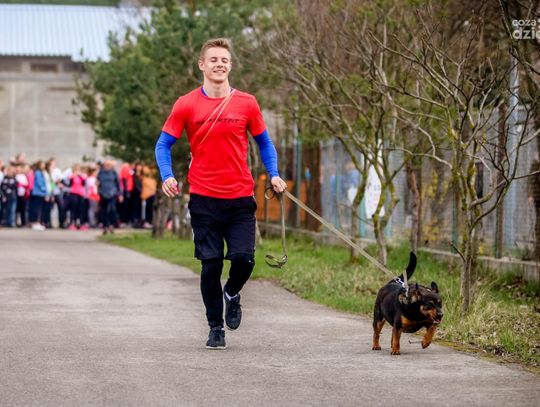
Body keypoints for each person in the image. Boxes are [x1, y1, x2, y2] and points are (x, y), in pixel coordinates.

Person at [155, 38, 287, 350]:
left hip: (240, 196)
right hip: (204, 198)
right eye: (213, 59)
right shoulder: (186, 104)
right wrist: (167, 175)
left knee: (244, 260)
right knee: (210, 265)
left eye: (224, 60)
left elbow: (264, 142)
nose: (219, 64)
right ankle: (215, 327)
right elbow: (164, 144)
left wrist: (274, 173)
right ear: (202, 65)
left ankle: (232, 293)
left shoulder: (247, 103)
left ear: (231, 66)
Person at [97, 160, 121, 235]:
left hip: (112, 193)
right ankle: (105, 226)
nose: (107, 166)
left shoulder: (114, 173)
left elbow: (118, 184)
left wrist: (120, 194)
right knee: (104, 210)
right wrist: (98, 191)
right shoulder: (101, 173)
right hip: (103, 193)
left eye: (108, 165)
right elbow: (98, 183)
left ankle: (111, 225)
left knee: (112, 209)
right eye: (106, 165)